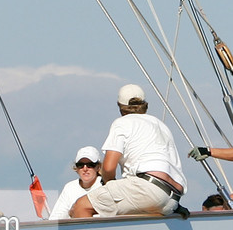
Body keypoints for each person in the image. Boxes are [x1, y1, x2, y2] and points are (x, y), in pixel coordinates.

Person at [69, 84, 187, 218]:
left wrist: (108, 183)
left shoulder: (122, 123)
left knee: (80, 206)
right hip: (173, 198)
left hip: (147, 189)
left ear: (120, 107)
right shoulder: (161, 125)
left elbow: (108, 168)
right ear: (145, 105)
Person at [49, 146, 104, 219]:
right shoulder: (69, 188)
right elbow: (55, 219)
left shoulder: (105, 186)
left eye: (90, 165)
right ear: (76, 168)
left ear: (98, 167)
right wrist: (72, 212)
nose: (85, 169)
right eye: (80, 165)